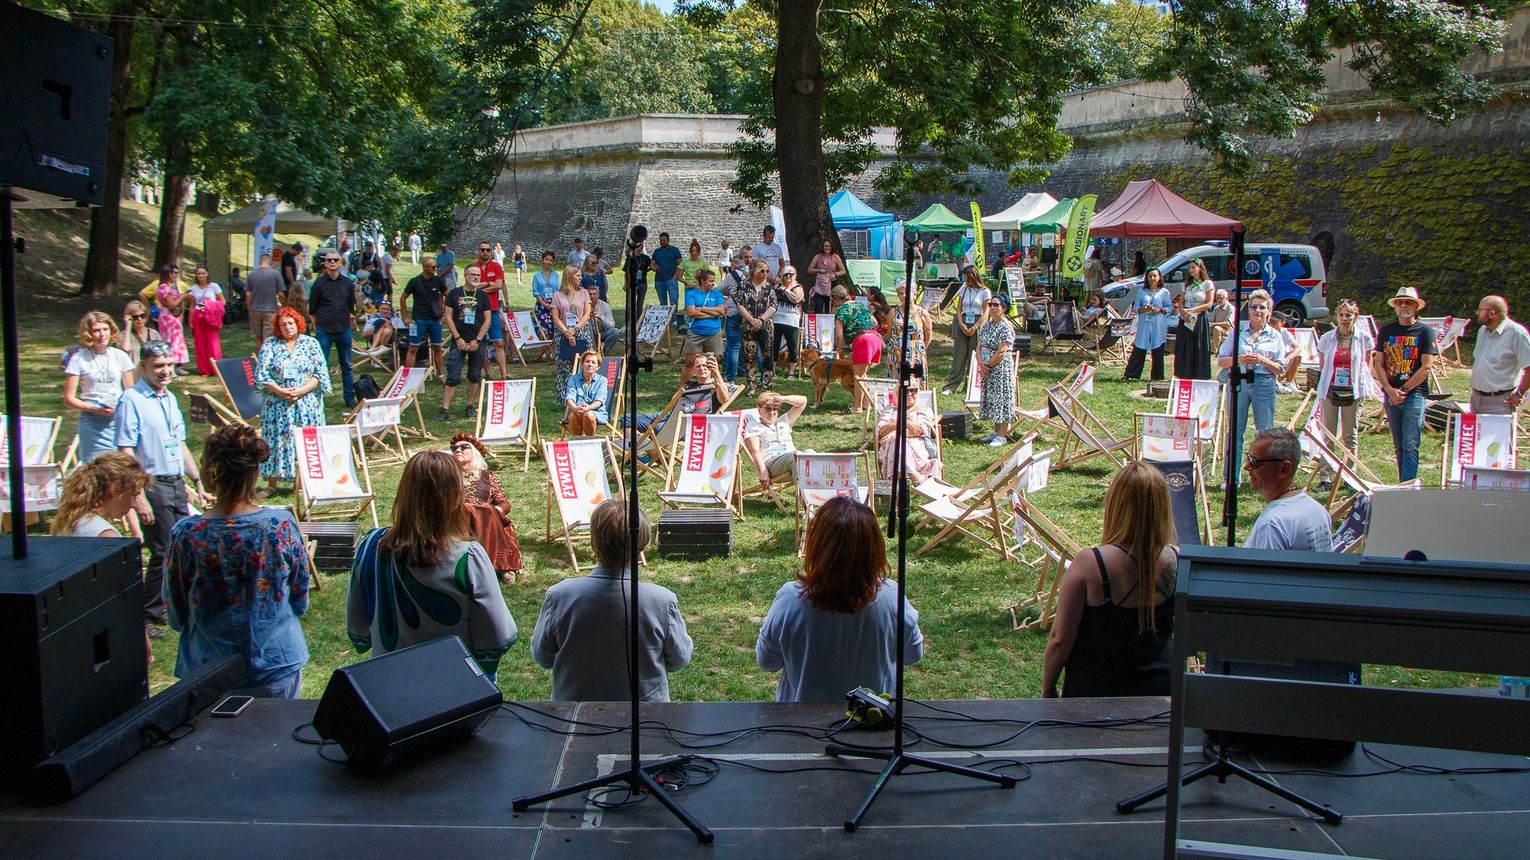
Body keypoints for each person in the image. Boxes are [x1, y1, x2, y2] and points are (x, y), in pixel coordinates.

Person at [166, 424, 310, 697]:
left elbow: (176, 609)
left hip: (209, 669)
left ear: (210, 474)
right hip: (276, 662)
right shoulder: (279, 525)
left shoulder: (187, 534)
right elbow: (299, 594)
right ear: (255, 472)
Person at [348, 451, 518, 678]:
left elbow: (358, 626)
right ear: (455, 497)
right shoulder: (467, 556)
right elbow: (498, 636)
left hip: (388, 682)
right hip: (454, 684)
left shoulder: (371, 546)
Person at [756, 496, 923, 702]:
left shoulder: (791, 599)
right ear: (874, 548)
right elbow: (913, 654)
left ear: (817, 545)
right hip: (871, 726)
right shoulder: (892, 598)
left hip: (802, 726)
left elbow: (766, 661)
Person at [532, 498, 693, 701]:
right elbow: (679, 659)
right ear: (642, 546)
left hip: (575, 717)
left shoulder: (559, 596)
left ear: (593, 542)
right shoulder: (661, 601)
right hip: (647, 720)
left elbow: (542, 657)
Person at [1042, 461, 1176, 699]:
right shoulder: (1176, 559)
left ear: (1116, 505)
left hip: (1096, 693)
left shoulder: (1089, 563)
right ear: (1162, 507)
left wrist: (1048, 688)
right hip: (1160, 692)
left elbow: (1060, 639)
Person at [117, 340, 209, 635]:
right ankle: (148, 613)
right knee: (163, 550)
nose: (165, 371)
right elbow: (126, 451)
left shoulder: (168, 398)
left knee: (185, 545)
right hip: (152, 484)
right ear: (143, 367)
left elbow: (179, 443)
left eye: (169, 365)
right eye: (158, 366)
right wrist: (138, 495)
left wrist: (197, 480)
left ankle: (177, 603)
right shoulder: (131, 400)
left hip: (175, 483)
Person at [255, 308, 331, 495]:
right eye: (283, 325)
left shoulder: (311, 344)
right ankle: (271, 484)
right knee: (274, 441)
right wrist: (280, 391)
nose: (288, 327)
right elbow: (262, 375)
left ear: (298, 324)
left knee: (305, 443)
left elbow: (320, 375)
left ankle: (301, 483)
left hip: (306, 403)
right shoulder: (270, 344)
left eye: (291, 323)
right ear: (277, 328)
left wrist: (302, 390)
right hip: (277, 403)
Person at [1217, 289, 1287, 485]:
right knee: (1235, 431)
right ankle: (1231, 478)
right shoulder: (1237, 332)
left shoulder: (1275, 336)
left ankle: (1263, 477)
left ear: (1269, 311)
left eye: (1261, 308)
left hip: (1264, 383)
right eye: (1254, 307)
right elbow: (1221, 361)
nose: (1257, 311)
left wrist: (1262, 359)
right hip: (1239, 380)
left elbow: (1280, 368)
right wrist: (1239, 359)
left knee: (1264, 433)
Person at [1369, 286, 1438, 483]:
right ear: (1395, 307)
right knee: (1398, 444)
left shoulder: (1424, 332)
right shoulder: (1386, 331)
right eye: (1400, 303)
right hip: (1391, 393)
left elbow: (1426, 367)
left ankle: (1408, 485)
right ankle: (1403, 482)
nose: (1404, 306)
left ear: (1416, 307)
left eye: (1408, 302)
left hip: (1414, 394)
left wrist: (1404, 390)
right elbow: (1378, 364)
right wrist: (1390, 390)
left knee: (1410, 443)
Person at [1314, 300, 1377, 488]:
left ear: (1355, 317)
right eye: (1341, 315)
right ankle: (1326, 477)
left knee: (1350, 435)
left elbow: (1367, 365)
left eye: (1348, 315)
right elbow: (1323, 364)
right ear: (1336, 316)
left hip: (1354, 389)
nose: (1344, 318)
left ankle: (1350, 477)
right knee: (1328, 434)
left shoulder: (1364, 338)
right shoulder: (1326, 338)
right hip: (1330, 388)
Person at [1244, 428, 1333, 551]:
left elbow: (1264, 570)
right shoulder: (1318, 510)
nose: (1246, 466)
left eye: (1255, 462)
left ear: (1283, 469)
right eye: (1248, 458)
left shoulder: (1272, 524)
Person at [63, 311, 136, 463]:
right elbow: (69, 399)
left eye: (105, 329)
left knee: (122, 468)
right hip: (92, 419)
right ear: (89, 333)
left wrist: (121, 409)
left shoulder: (120, 356)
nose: (102, 334)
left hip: (117, 417)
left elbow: (131, 392)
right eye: (97, 330)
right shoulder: (79, 358)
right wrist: (95, 409)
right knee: (96, 468)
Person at [450, 434, 523, 581]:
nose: (458, 450)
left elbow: (504, 503)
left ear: (475, 452)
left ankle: (501, 565)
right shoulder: (447, 475)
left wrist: (497, 510)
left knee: (485, 511)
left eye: (464, 447)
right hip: (455, 516)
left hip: (485, 518)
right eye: (454, 448)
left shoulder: (487, 476)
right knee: (468, 508)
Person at [51, 452, 150, 538]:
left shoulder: (67, 522)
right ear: (115, 489)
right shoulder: (107, 536)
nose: (134, 504)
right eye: (133, 495)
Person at [440, 263, 493, 420]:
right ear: (465, 276)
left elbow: (487, 320)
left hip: (477, 341)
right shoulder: (454, 294)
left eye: (478, 275)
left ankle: (469, 405)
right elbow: (448, 317)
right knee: (453, 375)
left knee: (475, 375)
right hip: (459, 340)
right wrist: (457, 338)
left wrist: (477, 340)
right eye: (472, 274)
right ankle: (444, 409)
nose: (475, 277)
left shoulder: (483, 296)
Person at [627, 353, 729, 433]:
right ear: (694, 370)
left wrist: (716, 373)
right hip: (668, 417)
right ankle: (635, 452)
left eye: (705, 365)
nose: (702, 368)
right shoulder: (689, 385)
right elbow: (673, 402)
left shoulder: (715, 386)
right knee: (628, 419)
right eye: (698, 366)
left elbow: (724, 399)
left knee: (659, 428)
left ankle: (650, 454)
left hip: (685, 424)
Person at [307, 250, 357, 407]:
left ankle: (349, 398)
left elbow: (351, 306)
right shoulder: (319, 284)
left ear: (340, 262)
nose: (333, 262)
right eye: (329, 260)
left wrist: (349, 319)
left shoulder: (347, 283)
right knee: (320, 365)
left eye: (336, 260)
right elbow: (312, 309)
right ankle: (316, 398)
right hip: (324, 330)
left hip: (343, 329)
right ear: (325, 264)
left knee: (347, 365)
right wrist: (317, 325)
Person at [1469, 295, 1530, 414]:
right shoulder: (1482, 331)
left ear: (1492, 313)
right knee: (1478, 433)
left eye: (1480, 310)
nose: (1477, 313)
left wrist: (1520, 393)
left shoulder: (1517, 334)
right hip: (1476, 398)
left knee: (1497, 432)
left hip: (1501, 401)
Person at [875, 379, 942, 482]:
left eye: (913, 390)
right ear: (898, 393)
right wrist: (904, 423)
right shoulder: (889, 410)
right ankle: (915, 477)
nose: (909, 394)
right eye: (905, 391)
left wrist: (893, 429)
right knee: (896, 440)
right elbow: (880, 430)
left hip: (916, 450)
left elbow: (920, 430)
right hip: (890, 448)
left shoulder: (923, 411)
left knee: (895, 439)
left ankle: (897, 488)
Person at [941, 266, 991, 395]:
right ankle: (951, 386)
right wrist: (961, 323)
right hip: (963, 319)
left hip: (977, 321)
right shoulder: (964, 289)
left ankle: (969, 386)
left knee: (973, 355)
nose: (964, 279)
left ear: (972, 276)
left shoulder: (985, 291)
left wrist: (975, 326)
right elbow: (958, 308)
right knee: (959, 355)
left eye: (965, 276)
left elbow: (986, 312)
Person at [975, 297, 1017, 446]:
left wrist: (988, 365)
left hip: (1000, 368)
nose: (992, 307)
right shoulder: (986, 325)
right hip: (986, 364)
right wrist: (981, 363)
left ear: (1003, 308)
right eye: (990, 304)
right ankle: (995, 431)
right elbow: (979, 346)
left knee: (1002, 398)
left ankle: (1002, 434)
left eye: (996, 305)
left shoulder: (1006, 327)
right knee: (992, 398)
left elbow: (1001, 352)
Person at [743, 391, 807, 487]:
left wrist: (783, 399)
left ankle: (815, 497)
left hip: (793, 461)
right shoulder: (753, 426)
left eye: (775, 409)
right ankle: (805, 500)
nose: (772, 412)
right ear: (759, 408)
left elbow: (803, 401)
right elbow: (754, 451)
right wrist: (763, 472)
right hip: (773, 464)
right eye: (768, 409)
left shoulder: (784, 421)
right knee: (795, 457)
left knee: (810, 454)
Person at [400, 256, 449, 377]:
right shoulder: (414, 281)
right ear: (425, 267)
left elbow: (448, 295)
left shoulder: (438, 281)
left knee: (437, 348)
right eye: (433, 267)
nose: (435, 269)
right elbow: (403, 297)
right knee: (413, 348)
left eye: (435, 266)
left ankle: (441, 374)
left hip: (434, 319)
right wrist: (405, 316)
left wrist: (445, 315)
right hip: (418, 319)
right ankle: (407, 376)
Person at [833, 285, 881, 409]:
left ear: (837, 299)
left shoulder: (842, 310)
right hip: (876, 339)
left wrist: (840, 350)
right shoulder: (860, 305)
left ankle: (857, 407)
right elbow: (875, 322)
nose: (834, 304)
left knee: (858, 377)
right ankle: (866, 403)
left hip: (863, 340)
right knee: (863, 375)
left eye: (834, 301)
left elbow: (839, 335)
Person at [736, 258, 778, 395]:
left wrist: (761, 319)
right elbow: (740, 305)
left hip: (766, 325)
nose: (765, 274)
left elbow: (773, 306)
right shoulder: (744, 286)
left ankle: (767, 385)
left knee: (768, 356)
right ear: (754, 271)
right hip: (748, 325)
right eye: (762, 271)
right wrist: (751, 320)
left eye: (767, 271)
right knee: (749, 356)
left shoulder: (769, 287)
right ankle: (752, 386)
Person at [552, 264, 593, 401]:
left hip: (581, 331)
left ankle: (584, 396)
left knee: (584, 363)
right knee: (564, 365)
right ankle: (565, 398)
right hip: (562, 333)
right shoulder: (557, 296)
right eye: (578, 276)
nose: (580, 278)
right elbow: (555, 317)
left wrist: (575, 329)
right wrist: (566, 332)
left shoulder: (584, 293)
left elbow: (587, 314)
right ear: (569, 277)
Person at [1125, 268, 1172, 381]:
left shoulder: (1164, 292)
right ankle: (1132, 374)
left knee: (1158, 347)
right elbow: (1135, 308)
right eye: (1150, 276)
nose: (1153, 278)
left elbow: (1169, 308)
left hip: (1157, 323)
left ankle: (1157, 376)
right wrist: (1143, 309)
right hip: (1145, 322)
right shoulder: (1141, 292)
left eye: (1155, 276)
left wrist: (1160, 309)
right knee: (1140, 346)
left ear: (1159, 277)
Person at [475, 241, 510, 381]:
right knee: (481, 342)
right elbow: (472, 285)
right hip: (478, 310)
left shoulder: (496, 266)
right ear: (478, 250)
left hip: (493, 309)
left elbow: (499, 285)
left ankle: (504, 374)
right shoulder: (473, 267)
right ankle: (487, 373)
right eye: (482, 250)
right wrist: (490, 284)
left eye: (488, 250)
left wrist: (481, 288)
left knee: (498, 342)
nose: (485, 252)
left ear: (491, 252)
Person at [1175, 259, 1214, 379]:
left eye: (1193, 267)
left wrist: (1193, 310)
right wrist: (1183, 313)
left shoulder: (1207, 284)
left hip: (1199, 317)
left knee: (1198, 344)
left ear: (1200, 268)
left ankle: (1200, 373)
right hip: (1186, 318)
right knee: (1185, 344)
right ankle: (1184, 372)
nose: (1191, 270)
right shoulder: (1187, 284)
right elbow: (1181, 301)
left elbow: (1209, 303)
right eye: (1189, 268)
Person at [720, 247, 754, 383]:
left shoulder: (732, 275)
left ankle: (730, 378)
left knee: (733, 346)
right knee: (754, 347)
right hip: (750, 314)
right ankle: (761, 378)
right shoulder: (754, 273)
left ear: (734, 264)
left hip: (734, 312)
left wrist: (730, 292)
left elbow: (719, 289)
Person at [187, 265, 225, 376]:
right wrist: (190, 321)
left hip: (210, 315)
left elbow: (222, 301)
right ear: (196, 275)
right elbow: (192, 306)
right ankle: (204, 370)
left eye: (203, 273)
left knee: (213, 342)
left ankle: (216, 368)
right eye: (199, 273)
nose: (201, 275)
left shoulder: (214, 286)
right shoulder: (193, 288)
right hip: (198, 316)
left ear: (207, 274)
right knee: (200, 343)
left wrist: (210, 306)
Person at [154, 264, 191, 373]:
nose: (176, 275)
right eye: (174, 273)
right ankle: (171, 365)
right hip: (168, 317)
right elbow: (171, 304)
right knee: (170, 340)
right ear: (168, 274)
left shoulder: (170, 286)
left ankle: (178, 364)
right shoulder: (164, 287)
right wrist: (183, 297)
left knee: (177, 339)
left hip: (174, 317)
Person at [564, 350, 609, 437]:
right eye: (587, 361)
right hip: (577, 411)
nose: (590, 364)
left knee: (588, 415)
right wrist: (574, 407)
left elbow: (600, 400)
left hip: (597, 413)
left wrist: (589, 407)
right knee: (573, 416)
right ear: (582, 364)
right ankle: (579, 441)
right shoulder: (573, 379)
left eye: (593, 362)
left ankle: (589, 441)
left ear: (598, 367)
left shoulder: (602, 380)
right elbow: (569, 397)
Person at [683, 268, 726, 355]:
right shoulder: (691, 294)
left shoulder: (717, 294)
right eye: (710, 281)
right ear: (702, 281)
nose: (713, 283)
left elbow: (721, 310)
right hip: (695, 333)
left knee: (711, 362)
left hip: (713, 333)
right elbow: (691, 313)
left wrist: (702, 309)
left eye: (713, 281)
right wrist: (712, 315)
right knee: (692, 362)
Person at [245, 253, 283, 346]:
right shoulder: (275, 274)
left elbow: (248, 294)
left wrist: (249, 307)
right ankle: (267, 357)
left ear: (260, 261)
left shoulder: (251, 274)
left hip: (255, 309)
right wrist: (284, 305)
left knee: (258, 337)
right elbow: (281, 294)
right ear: (270, 261)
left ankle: (260, 357)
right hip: (270, 310)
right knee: (269, 337)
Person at [650, 232, 683, 327]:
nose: (662, 242)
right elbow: (652, 263)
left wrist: (676, 275)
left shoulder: (674, 250)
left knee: (674, 300)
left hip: (671, 279)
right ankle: (664, 319)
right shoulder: (657, 252)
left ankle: (674, 319)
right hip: (659, 280)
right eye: (661, 241)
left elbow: (680, 264)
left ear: (668, 240)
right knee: (663, 302)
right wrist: (654, 268)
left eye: (664, 240)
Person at [806, 239, 845, 315]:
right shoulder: (818, 256)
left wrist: (835, 274)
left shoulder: (835, 257)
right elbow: (809, 270)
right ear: (823, 247)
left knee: (830, 307)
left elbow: (843, 271)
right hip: (820, 286)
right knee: (818, 308)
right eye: (825, 246)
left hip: (831, 285)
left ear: (831, 247)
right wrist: (819, 270)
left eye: (829, 246)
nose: (827, 248)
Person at [586, 276, 621, 355]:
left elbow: (612, 325)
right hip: (587, 334)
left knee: (615, 331)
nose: (592, 296)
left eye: (594, 294)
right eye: (590, 294)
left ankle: (604, 351)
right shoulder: (583, 306)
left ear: (598, 295)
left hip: (601, 333)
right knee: (589, 325)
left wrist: (600, 316)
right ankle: (593, 352)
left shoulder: (605, 306)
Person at [531, 250, 560, 341]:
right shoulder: (537, 275)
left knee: (553, 327)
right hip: (541, 303)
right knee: (542, 328)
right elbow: (536, 292)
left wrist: (554, 304)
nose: (548, 262)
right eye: (546, 259)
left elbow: (558, 290)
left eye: (550, 260)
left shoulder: (556, 275)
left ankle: (551, 351)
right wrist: (544, 304)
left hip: (553, 302)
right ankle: (543, 351)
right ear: (542, 260)